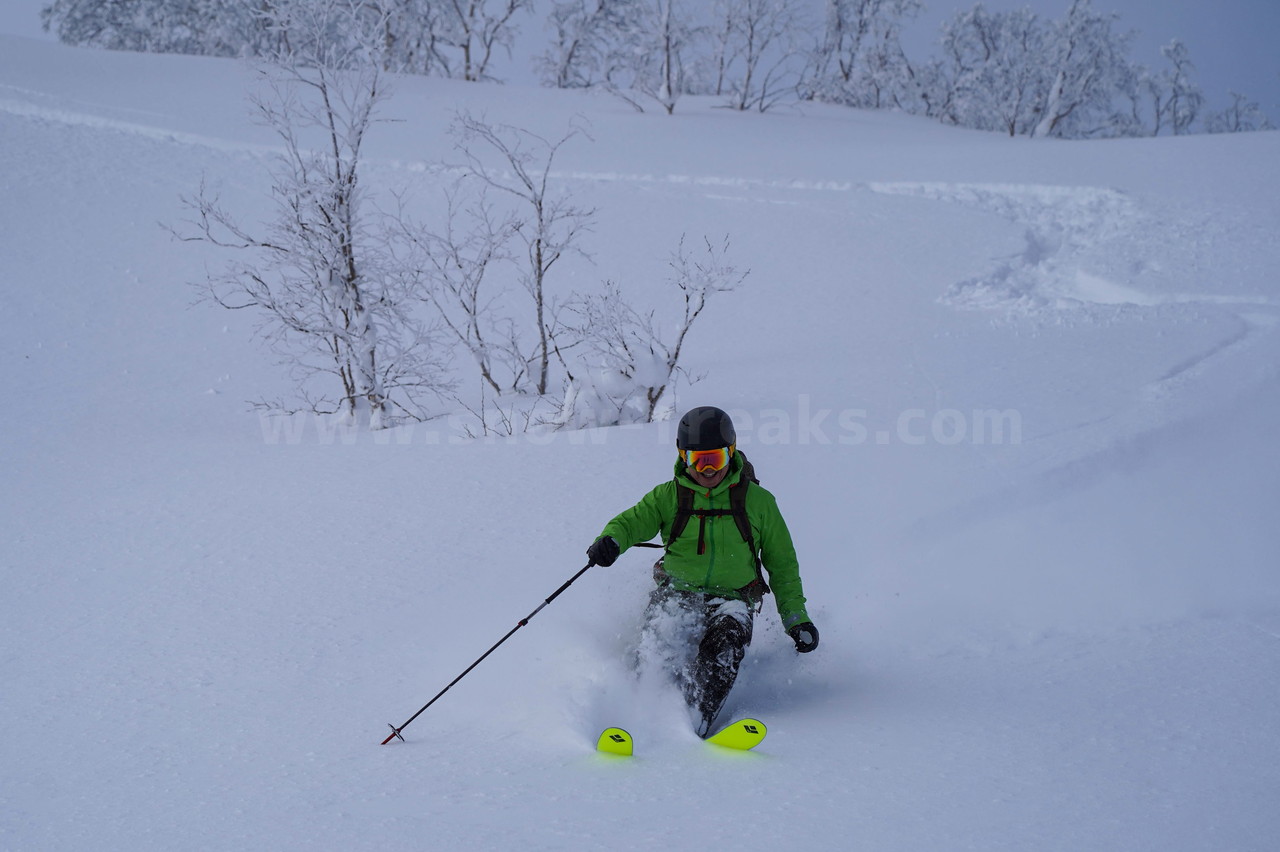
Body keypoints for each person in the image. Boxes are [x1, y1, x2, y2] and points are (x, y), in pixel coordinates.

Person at [586, 405, 818, 737]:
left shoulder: (758, 502)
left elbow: (782, 565)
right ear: (683, 457)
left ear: (731, 452)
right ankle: (635, 714)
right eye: (697, 459)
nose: (706, 469)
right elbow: (631, 522)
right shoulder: (670, 496)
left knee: (723, 647)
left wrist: (796, 618)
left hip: (733, 600)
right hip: (677, 592)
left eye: (715, 459)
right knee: (659, 642)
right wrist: (610, 541)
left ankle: (694, 720)